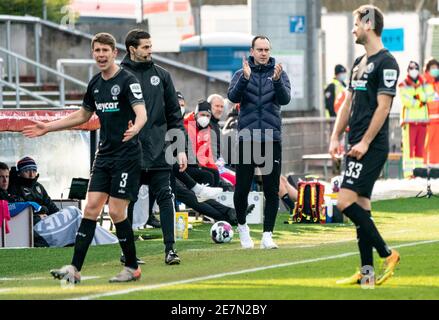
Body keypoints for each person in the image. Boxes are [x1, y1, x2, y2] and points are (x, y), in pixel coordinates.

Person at [23, 32, 147, 283]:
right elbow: (82, 116)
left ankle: (132, 267)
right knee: (90, 208)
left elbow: (141, 112)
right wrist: (48, 127)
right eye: (97, 51)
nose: (100, 55)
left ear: (115, 53)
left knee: (115, 211)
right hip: (104, 156)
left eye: (105, 51)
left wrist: (137, 127)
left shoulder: (127, 80)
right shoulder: (95, 84)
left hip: (126, 156)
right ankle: (74, 268)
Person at [328, 5, 400, 286]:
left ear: (368, 24)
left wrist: (365, 142)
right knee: (362, 207)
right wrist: (335, 137)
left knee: (344, 202)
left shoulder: (387, 62)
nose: (353, 28)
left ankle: (387, 252)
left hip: (371, 146)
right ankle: (367, 275)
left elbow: (384, 107)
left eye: (356, 23)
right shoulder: (358, 62)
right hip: (353, 142)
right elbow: (347, 103)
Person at [121, 29, 188, 265]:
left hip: (159, 150)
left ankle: (170, 250)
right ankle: (127, 253)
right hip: (129, 153)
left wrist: (180, 148)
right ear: (132, 49)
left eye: (151, 46)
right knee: (125, 200)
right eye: (146, 47)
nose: (150, 50)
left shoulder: (162, 76)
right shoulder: (118, 76)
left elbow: (174, 115)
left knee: (166, 197)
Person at [228, 35, 291, 249]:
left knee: (272, 189)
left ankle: (267, 235)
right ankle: (243, 229)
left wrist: (277, 81)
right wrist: (245, 79)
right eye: (260, 49)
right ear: (252, 51)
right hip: (247, 139)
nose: (264, 53)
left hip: (271, 139)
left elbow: (285, 100)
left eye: (267, 49)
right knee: (242, 188)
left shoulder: (279, 74)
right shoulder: (240, 73)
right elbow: (233, 97)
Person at [8, 157, 59, 225]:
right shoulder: (15, 188)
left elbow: (50, 204)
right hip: (30, 225)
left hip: (46, 221)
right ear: (19, 173)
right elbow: (22, 212)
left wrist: (59, 215)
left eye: (34, 171)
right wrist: (39, 215)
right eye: (27, 171)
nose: (31, 175)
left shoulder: (39, 187)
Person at [399, 61, 428, 178]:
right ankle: (408, 173)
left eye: (416, 68)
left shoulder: (424, 83)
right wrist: (420, 101)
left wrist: (417, 98)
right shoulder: (403, 84)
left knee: (420, 149)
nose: (414, 70)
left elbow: (427, 97)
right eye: (411, 68)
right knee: (408, 149)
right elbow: (407, 101)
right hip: (409, 122)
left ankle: (419, 172)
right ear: (407, 70)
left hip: (422, 121)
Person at [422, 58, 439, 166]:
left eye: (437, 68)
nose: (435, 70)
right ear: (427, 69)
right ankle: (424, 165)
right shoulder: (423, 83)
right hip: (427, 118)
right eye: (433, 68)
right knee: (426, 144)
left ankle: (435, 165)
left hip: (437, 119)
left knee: (436, 144)